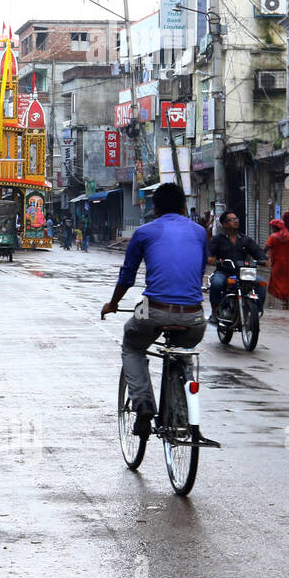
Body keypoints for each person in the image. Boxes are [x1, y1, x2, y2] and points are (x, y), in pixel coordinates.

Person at [100, 183, 208, 436]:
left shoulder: (145, 232)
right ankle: (181, 415)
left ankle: (143, 403)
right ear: (184, 207)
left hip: (153, 310)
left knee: (132, 343)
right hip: (194, 316)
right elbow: (200, 271)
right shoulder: (200, 232)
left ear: (155, 209)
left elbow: (127, 276)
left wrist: (113, 303)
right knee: (184, 353)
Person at [206, 210, 266, 324]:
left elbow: (257, 251)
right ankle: (214, 313)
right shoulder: (218, 239)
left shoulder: (245, 239)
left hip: (242, 273)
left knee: (262, 284)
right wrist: (210, 258)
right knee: (216, 284)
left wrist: (264, 259)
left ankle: (255, 312)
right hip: (224, 272)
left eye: (236, 219)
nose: (235, 221)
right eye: (231, 220)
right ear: (224, 224)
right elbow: (210, 252)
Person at [265, 219, 289, 310]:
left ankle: (280, 298)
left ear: (275, 227)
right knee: (286, 281)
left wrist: (260, 257)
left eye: (272, 227)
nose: (271, 229)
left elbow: (266, 248)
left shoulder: (273, 237)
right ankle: (285, 299)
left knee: (276, 281)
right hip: (287, 263)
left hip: (277, 263)